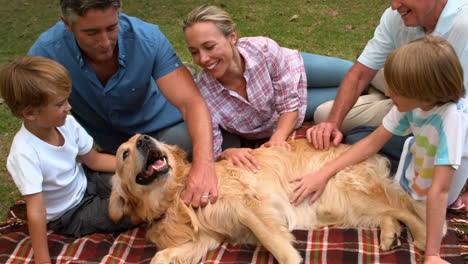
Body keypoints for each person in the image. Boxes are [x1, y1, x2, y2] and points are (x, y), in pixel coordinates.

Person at [291, 36, 468, 264]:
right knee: (359, 135)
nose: (388, 93)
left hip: (431, 184)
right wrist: (322, 174)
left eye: (395, 90)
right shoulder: (417, 102)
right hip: (417, 161)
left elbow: (440, 191)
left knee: (362, 146)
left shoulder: (452, 122)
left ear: (422, 91)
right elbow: (373, 141)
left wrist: (432, 254)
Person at [27, 0, 217, 208]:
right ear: (67, 25)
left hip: (164, 131)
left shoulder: (147, 37)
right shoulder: (46, 54)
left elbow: (191, 102)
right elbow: (36, 116)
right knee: (91, 194)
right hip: (113, 152)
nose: (105, 42)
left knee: (208, 147)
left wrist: (204, 166)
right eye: (91, 33)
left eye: (111, 28)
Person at [308, 0, 468, 208]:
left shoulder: (463, 23)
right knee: (325, 115)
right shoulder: (395, 17)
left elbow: (441, 190)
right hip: (411, 99)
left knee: (360, 137)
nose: (394, 5)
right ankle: (386, 84)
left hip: (434, 105)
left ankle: (387, 85)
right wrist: (332, 123)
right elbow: (359, 73)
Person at [0, 56, 142, 264]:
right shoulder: (24, 153)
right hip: (71, 213)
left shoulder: (66, 122)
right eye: (59, 104)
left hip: (87, 180)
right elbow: (36, 210)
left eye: (67, 99)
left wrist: (135, 169)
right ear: (30, 113)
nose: (68, 107)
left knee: (143, 185)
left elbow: (94, 160)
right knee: (135, 212)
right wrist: (42, 259)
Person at [182, 5, 353, 172]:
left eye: (209, 47)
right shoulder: (203, 93)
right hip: (287, 109)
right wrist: (226, 153)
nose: (203, 59)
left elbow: (288, 105)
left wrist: (278, 139)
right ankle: (371, 102)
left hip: (293, 70)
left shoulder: (263, 49)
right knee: (354, 91)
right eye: (194, 52)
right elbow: (209, 148)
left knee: (353, 73)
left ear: (232, 37)